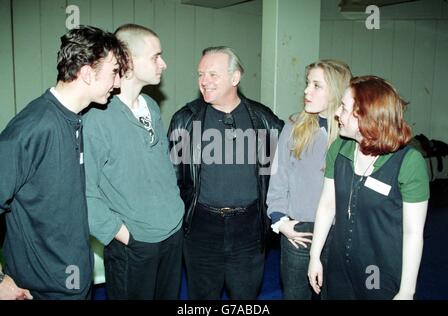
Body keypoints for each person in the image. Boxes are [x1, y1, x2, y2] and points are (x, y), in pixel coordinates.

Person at [0, 25, 128, 300]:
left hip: (73, 280)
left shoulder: (78, 119)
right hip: (41, 289)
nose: (117, 83)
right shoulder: (32, 128)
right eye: (114, 72)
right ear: (86, 73)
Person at [168, 46, 284, 299]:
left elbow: (281, 172)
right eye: (200, 74)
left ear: (235, 78)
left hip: (249, 231)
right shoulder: (185, 121)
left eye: (212, 74)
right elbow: (175, 179)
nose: (204, 81)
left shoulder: (264, 120)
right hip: (201, 230)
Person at [83, 24, 184, 300]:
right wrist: (123, 235)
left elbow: (159, 167)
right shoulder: (96, 118)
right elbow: (84, 192)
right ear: (127, 59)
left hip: (172, 234)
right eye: (156, 56)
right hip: (134, 244)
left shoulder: (150, 105)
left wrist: (176, 209)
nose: (163, 64)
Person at [308, 75, 429, 300]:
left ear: (366, 116)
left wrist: (406, 291)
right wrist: (315, 256)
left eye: (344, 108)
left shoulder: (409, 163)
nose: (337, 114)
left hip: (377, 271)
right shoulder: (339, 149)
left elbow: (413, 233)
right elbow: (327, 206)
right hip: (338, 267)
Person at [266, 60, 352, 299]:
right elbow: (278, 177)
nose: (306, 90)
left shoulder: (352, 134)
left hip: (340, 233)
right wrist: (280, 221)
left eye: (316, 85)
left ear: (336, 91)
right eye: (307, 83)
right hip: (300, 232)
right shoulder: (294, 126)